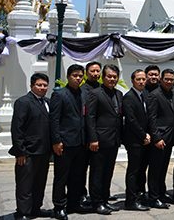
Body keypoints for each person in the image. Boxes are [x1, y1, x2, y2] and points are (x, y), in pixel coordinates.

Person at [50, 65, 91, 219]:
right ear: (68, 77)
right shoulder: (59, 95)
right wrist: (56, 141)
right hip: (65, 143)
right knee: (62, 176)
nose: (78, 78)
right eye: (75, 75)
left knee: (77, 176)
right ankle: (59, 206)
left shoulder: (84, 94)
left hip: (80, 142)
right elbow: (54, 120)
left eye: (81, 76)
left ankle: (74, 203)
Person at [10, 73, 52, 220]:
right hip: (27, 151)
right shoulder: (23, 102)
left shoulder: (47, 102)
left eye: (45, 85)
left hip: (44, 150)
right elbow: (17, 128)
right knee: (25, 184)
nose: (42, 88)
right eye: (39, 85)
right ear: (32, 86)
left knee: (40, 182)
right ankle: (23, 212)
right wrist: (20, 151)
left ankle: (36, 208)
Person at [86, 64, 124, 215]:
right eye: (109, 76)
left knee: (108, 172)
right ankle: (97, 202)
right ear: (103, 77)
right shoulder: (95, 93)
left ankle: (105, 199)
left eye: (115, 77)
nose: (112, 79)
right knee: (97, 172)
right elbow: (90, 118)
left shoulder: (119, 94)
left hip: (113, 140)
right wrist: (93, 139)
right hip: (99, 140)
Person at [146, 68, 174, 209]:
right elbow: (151, 119)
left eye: (171, 79)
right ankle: (153, 197)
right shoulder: (154, 95)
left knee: (163, 168)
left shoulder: (173, 93)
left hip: (169, 139)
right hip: (159, 139)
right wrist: (156, 138)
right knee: (155, 169)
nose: (169, 81)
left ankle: (161, 193)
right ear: (161, 79)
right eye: (166, 79)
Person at [122, 69, 151, 211]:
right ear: (132, 80)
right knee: (133, 171)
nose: (141, 81)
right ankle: (130, 201)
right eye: (138, 79)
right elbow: (131, 120)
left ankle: (140, 195)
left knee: (141, 171)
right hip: (134, 140)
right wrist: (143, 135)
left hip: (145, 140)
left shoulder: (144, 94)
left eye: (143, 79)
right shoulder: (128, 97)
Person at [79, 61, 102, 201]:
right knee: (81, 169)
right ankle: (81, 194)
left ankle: (98, 194)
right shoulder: (82, 90)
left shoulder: (102, 88)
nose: (95, 73)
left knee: (98, 168)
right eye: (92, 71)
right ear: (87, 72)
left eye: (97, 71)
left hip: (100, 136)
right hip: (84, 136)